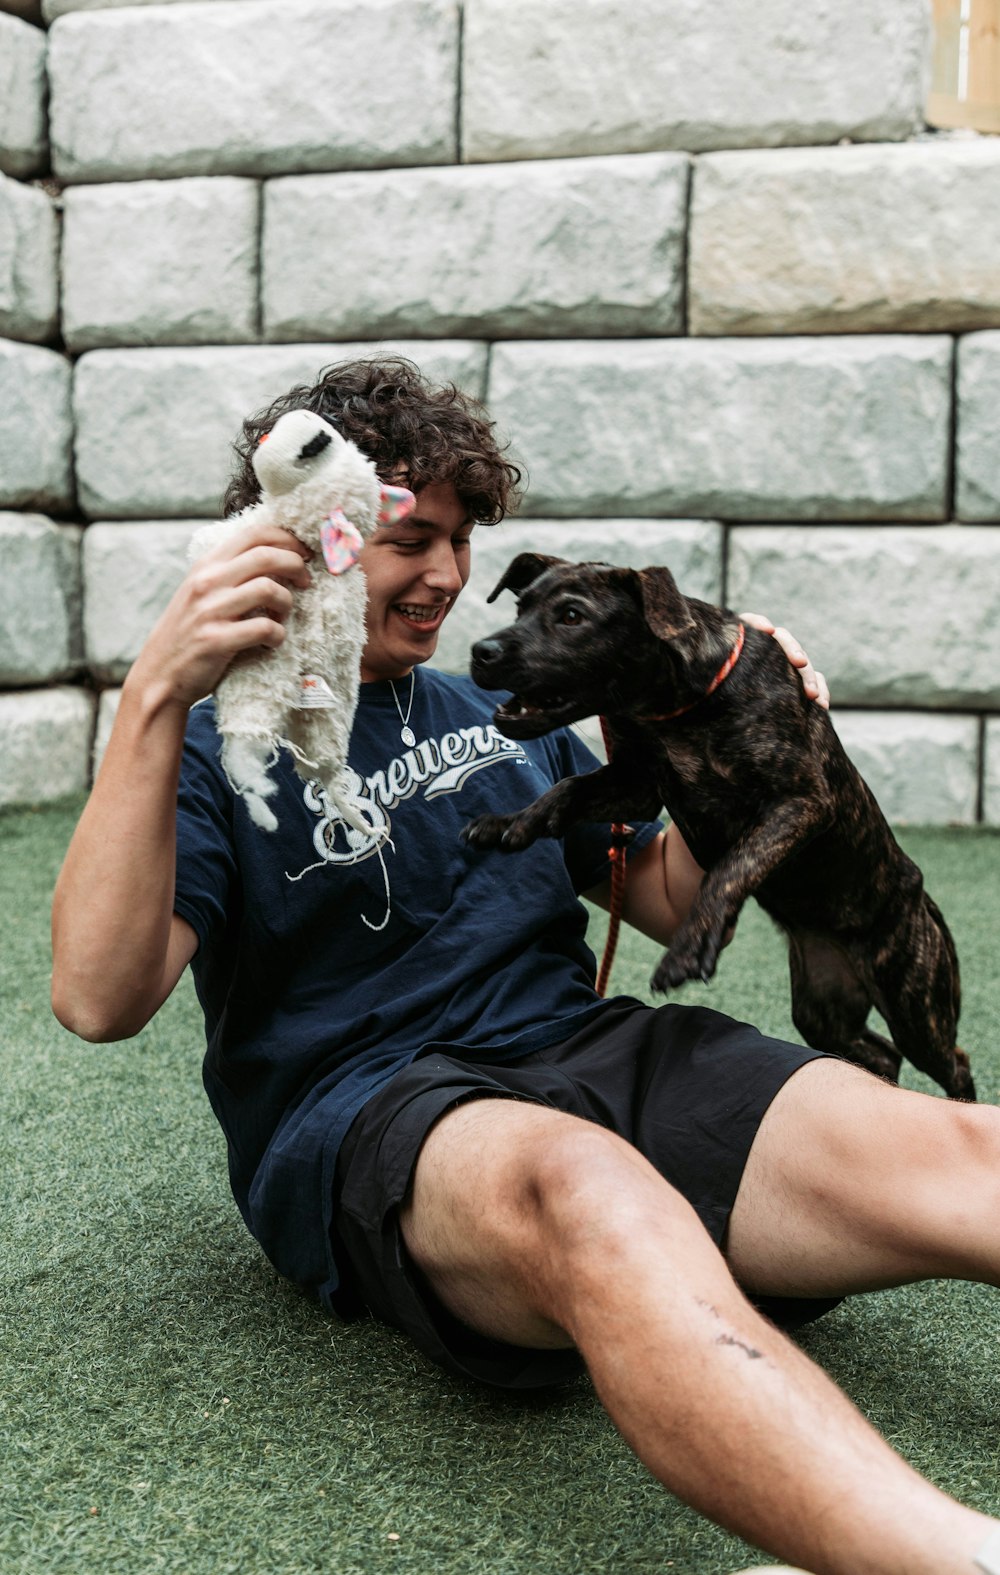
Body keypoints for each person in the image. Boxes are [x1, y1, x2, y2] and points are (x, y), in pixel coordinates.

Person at [51, 358, 1000, 1575]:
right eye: (409, 539)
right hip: (374, 1104)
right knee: (589, 1188)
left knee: (957, 1146)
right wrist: (148, 698)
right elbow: (95, 997)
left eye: (460, 540)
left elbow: (662, 898)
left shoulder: (488, 716)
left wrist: (716, 728)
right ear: (300, 535)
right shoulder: (202, 741)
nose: (445, 576)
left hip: (590, 1050)